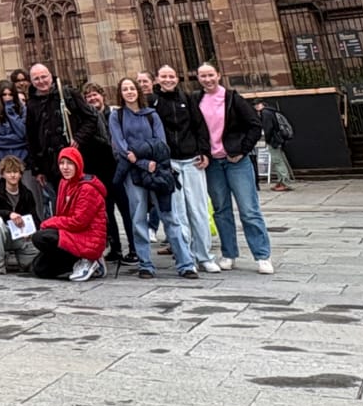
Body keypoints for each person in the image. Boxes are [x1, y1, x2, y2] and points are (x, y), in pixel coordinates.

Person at [108, 78, 197, 280]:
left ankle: (186, 263)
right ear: (120, 94)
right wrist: (142, 163)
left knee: (169, 216)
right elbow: (122, 148)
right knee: (138, 217)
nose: (129, 92)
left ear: (138, 91)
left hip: (157, 169)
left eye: (132, 88)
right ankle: (146, 264)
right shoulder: (117, 116)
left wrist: (147, 161)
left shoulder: (152, 115)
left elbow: (161, 144)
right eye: (125, 89)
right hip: (134, 173)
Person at [198, 63, 273, 273]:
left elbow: (254, 125)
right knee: (221, 210)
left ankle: (262, 255)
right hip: (212, 163)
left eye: (210, 75)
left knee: (249, 209)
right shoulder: (198, 100)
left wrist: (243, 149)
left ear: (218, 75)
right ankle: (229, 254)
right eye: (203, 76)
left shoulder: (232, 98)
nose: (207, 79)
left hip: (236, 161)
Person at [154, 65, 220, 270]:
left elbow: (199, 126)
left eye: (171, 76)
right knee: (178, 212)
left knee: (198, 209)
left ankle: (205, 256)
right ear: (157, 79)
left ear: (177, 78)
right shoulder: (153, 102)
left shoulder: (188, 99)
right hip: (170, 162)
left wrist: (204, 152)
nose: (168, 79)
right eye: (164, 76)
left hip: (192, 159)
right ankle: (186, 256)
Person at [70, 82, 135, 263]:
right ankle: (115, 248)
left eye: (95, 95)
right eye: (88, 96)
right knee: (106, 212)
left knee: (126, 210)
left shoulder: (114, 114)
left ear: (102, 96)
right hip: (98, 172)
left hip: (117, 170)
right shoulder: (83, 120)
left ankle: (134, 247)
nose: (92, 99)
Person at [30, 147, 107, 281]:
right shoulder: (64, 183)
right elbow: (62, 214)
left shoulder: (87, 188)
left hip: (87, 237)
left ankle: (90, 259)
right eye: (62, 163)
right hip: (72, 233)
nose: (65, 167)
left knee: (41, 237)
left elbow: (78, 222)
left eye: (70, 163)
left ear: (78, 165)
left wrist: (49, 222)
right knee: (38, 268)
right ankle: (78, 261)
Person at [0, 156, 40, 274]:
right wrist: (9, 214)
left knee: (34, 264)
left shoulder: (27, 194)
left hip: (20, 236)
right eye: (9, 172)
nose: (13, 175)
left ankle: (25, 261)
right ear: (3, 174)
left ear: (20, 174)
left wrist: (30, 231)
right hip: (1, 234)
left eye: (15, 172)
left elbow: (34, 218)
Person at [25, 64, 67, 214]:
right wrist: (37, 169)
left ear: (51, 76)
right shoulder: (31, 104)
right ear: (32, 81)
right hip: (49, 163)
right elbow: (31, 138)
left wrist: (79, 139)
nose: (41, 81)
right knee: (57, 202)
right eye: (36, 79)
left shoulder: (66, 94)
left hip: (70, 157)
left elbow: (89, 119)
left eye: (44, 77)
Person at [256, 101, 296, 190]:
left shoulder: (265, 113)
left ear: (261, 105)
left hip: (274, 140)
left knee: (277, 160)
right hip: (279, 138)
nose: (256, 107)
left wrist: (267, 139)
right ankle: (281, 181)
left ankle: (284, 182)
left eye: (257, 105)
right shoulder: (273, 111)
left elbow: (268, 127)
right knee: (279, 159)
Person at [0, 81, 27, 164]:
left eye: (10, 94)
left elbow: (23, 134)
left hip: (23, 158)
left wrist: (11, 113)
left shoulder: (23, 111)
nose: (8, 97)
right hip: (2, 160)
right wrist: (18, 140)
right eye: (4, 95)